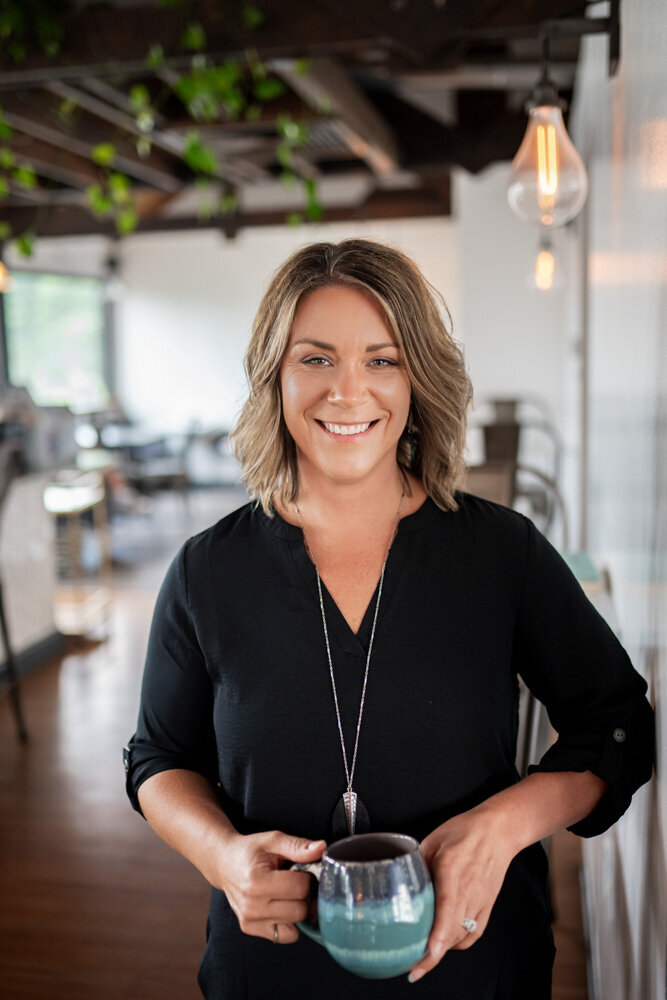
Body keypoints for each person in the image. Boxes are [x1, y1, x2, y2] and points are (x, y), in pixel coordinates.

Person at [124, 238, 654, 999]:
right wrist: (221, 858)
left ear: (416, 381)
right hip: (273, 965)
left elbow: (616, 723)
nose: (347, 391)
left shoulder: (499, 551)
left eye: (381, 359)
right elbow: (157, 757)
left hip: (473, 960)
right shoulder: (206, 570)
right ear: (274, 375)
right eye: (315, 358)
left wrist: (502, 827)